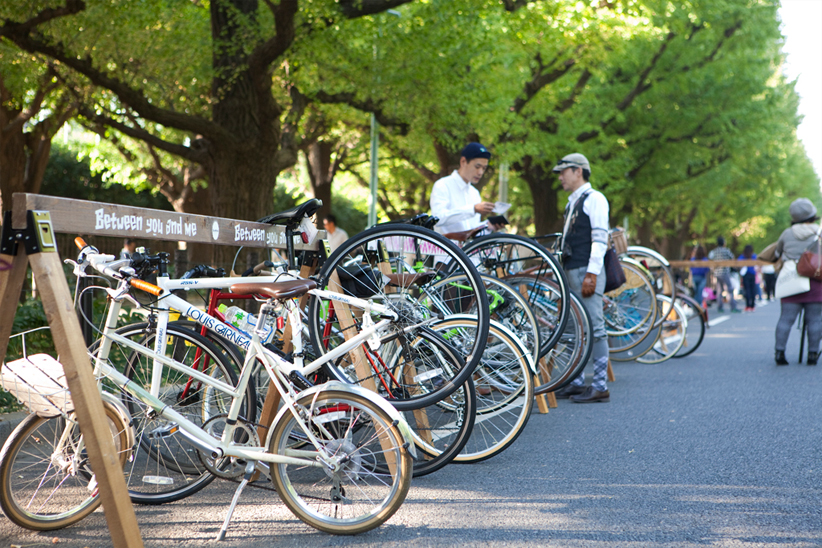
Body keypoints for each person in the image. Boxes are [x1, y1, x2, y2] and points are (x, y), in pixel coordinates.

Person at [551, 153, 611, 403]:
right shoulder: (573, 202)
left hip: (586, 270)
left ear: (578, 171)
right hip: (572, 270)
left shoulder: (595, 198)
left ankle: (599, 385)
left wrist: (591, 275)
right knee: (574, 327)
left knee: (595, 327)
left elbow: (600, 239)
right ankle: (576, 381)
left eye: (564, 172)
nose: (560, 177)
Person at [773, 198, 822, 366]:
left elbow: (777, 251)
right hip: (815, 280)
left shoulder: (787, 233)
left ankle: (780, 352)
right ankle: (813, 355)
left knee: (785, 319)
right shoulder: (819, 232)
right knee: (815, 320)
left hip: (791, 281)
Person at [430, 142, 500, 235]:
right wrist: (472, 209)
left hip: (467, 249)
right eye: (477, 167)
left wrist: (488, 226)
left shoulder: (474, 193)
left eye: (484, 168)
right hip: (446, 247)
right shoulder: (443, 185)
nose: (480, 172)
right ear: (463, 162)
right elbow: (437, 218)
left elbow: (471, 232)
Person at [708, 236, 739, 313]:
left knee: (719, 290)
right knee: (729, 289)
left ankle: (720, 307)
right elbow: (732, 258)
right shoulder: (726, 250)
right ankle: (733, 306)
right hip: (725, 272)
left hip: (717, 273)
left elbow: (710, 258)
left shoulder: (714, 251)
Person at [738, 244, 758, 312]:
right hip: (752, 274)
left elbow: (738, 262)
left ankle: (748, 306)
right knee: (752, 290)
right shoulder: (754, 256)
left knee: (747, 290)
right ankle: (752, 306)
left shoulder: (743, 256)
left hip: (746, 275)